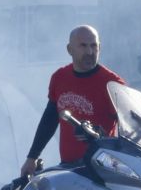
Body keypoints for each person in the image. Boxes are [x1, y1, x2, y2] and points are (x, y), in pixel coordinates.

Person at [21, 25, 124, 176]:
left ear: (100, 48)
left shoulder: (112, 84)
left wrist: (101, 135)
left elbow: (130, 131)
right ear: (70, 49)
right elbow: (49, 120)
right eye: (83, 46)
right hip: (69, 169)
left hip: (103, 170)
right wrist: (32, 158)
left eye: (94, 46)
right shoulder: (60, 77)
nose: (89, 52)